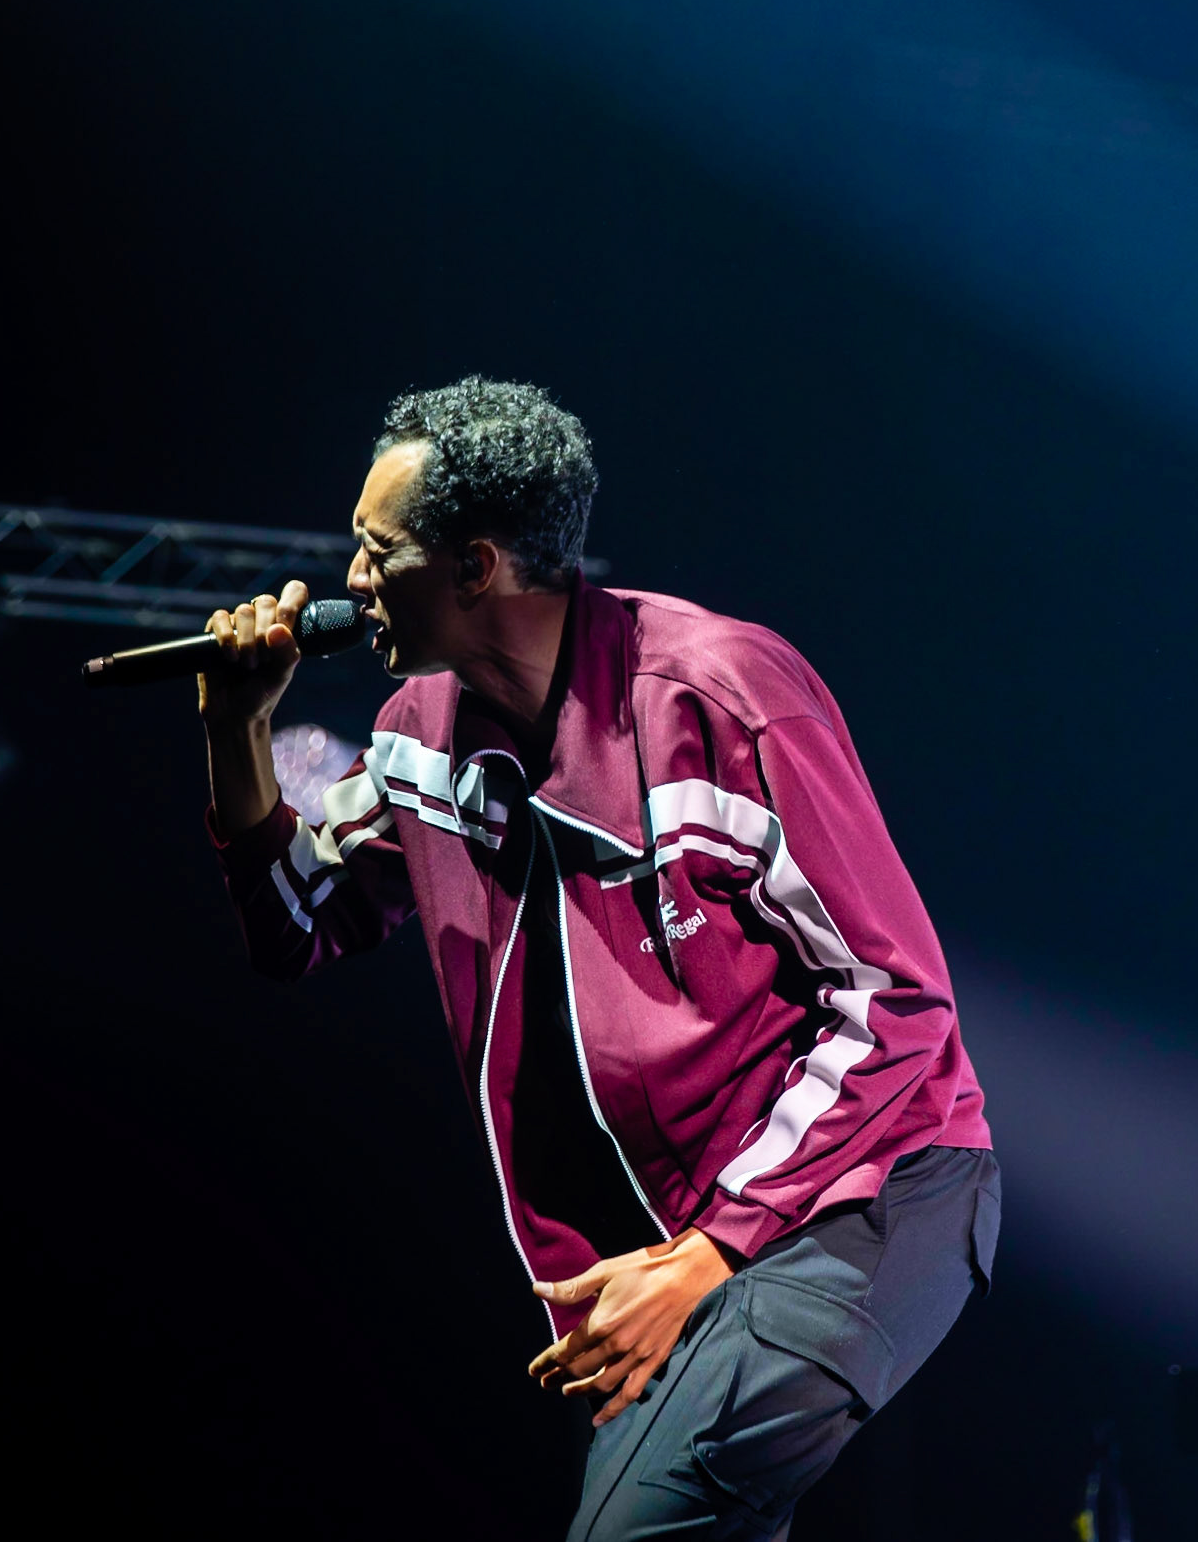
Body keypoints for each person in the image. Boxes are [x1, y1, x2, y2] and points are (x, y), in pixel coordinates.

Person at [200, 378, 998, 1540]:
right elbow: (296, 928)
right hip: (673, 1254)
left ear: (476, 567)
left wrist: (711, 1251)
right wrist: (236, 734)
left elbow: (898, 1003)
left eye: (377, 550)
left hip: (871, 1189)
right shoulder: (420, 737)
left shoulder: (719, 694)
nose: (351, 580)